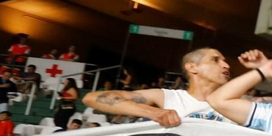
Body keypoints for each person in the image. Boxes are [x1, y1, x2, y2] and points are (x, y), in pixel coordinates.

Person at [83, 47, 233, 124]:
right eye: (215, 60)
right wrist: (152, 112)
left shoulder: (238, 102)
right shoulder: (167, 97)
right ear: (192, 67)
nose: (226, 65)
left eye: (224, 61)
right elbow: (91, 98)